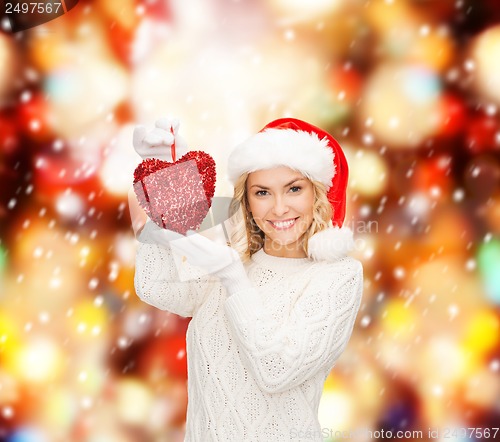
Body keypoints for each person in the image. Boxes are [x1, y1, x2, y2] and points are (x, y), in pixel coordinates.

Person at [130, 117, 364, 441]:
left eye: (294, 189)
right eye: (263, 192)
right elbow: (156, 286)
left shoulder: (337, 275)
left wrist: (233, 278)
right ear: (248, 200)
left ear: (318, 194)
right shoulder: (232, 257)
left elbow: (276, 370)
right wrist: (163, 175)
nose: (279, 208)